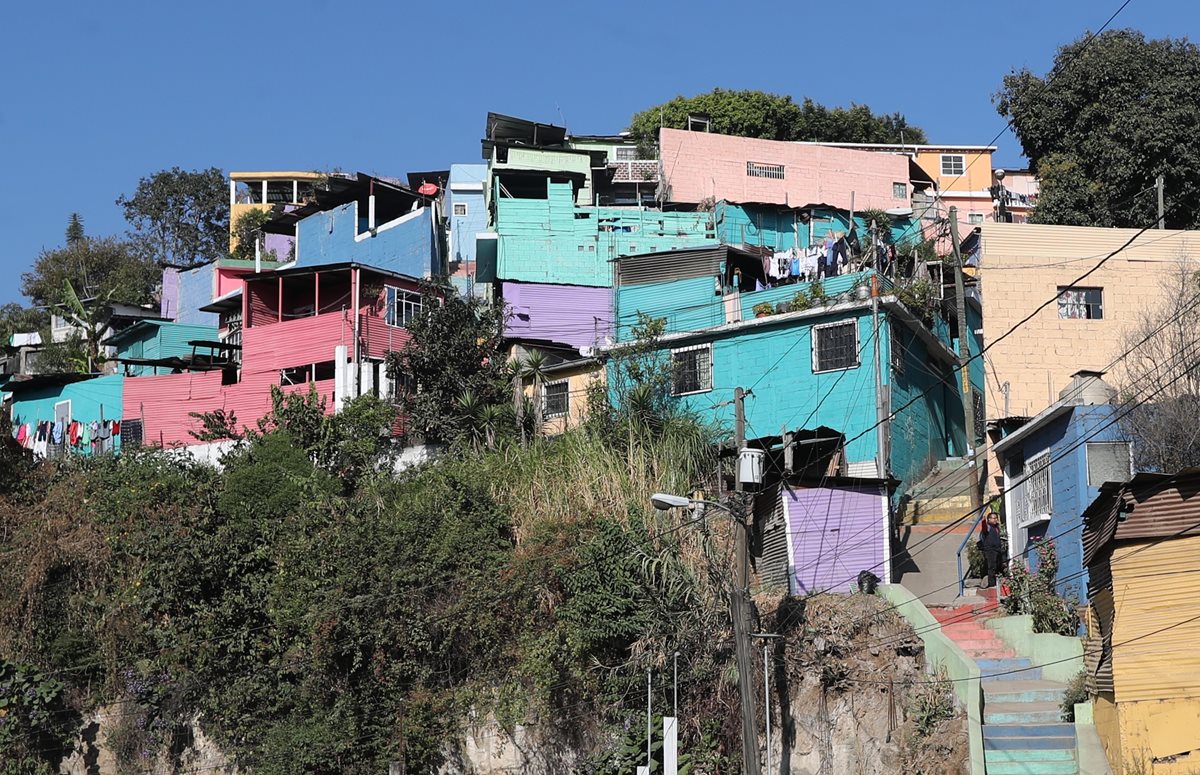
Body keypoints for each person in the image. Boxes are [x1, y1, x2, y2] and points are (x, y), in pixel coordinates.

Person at [979, 512, 1004, 589]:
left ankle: (996, 581)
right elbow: (984, 528)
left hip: (997, 550)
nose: (995, 520)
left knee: (998, 566)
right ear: (989, 519)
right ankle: (991, 584)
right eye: (993, 518)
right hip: (990, 550)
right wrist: (983, 521)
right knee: (991, 566)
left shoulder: (996, 528)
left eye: (996, 518)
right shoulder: (988, 527)